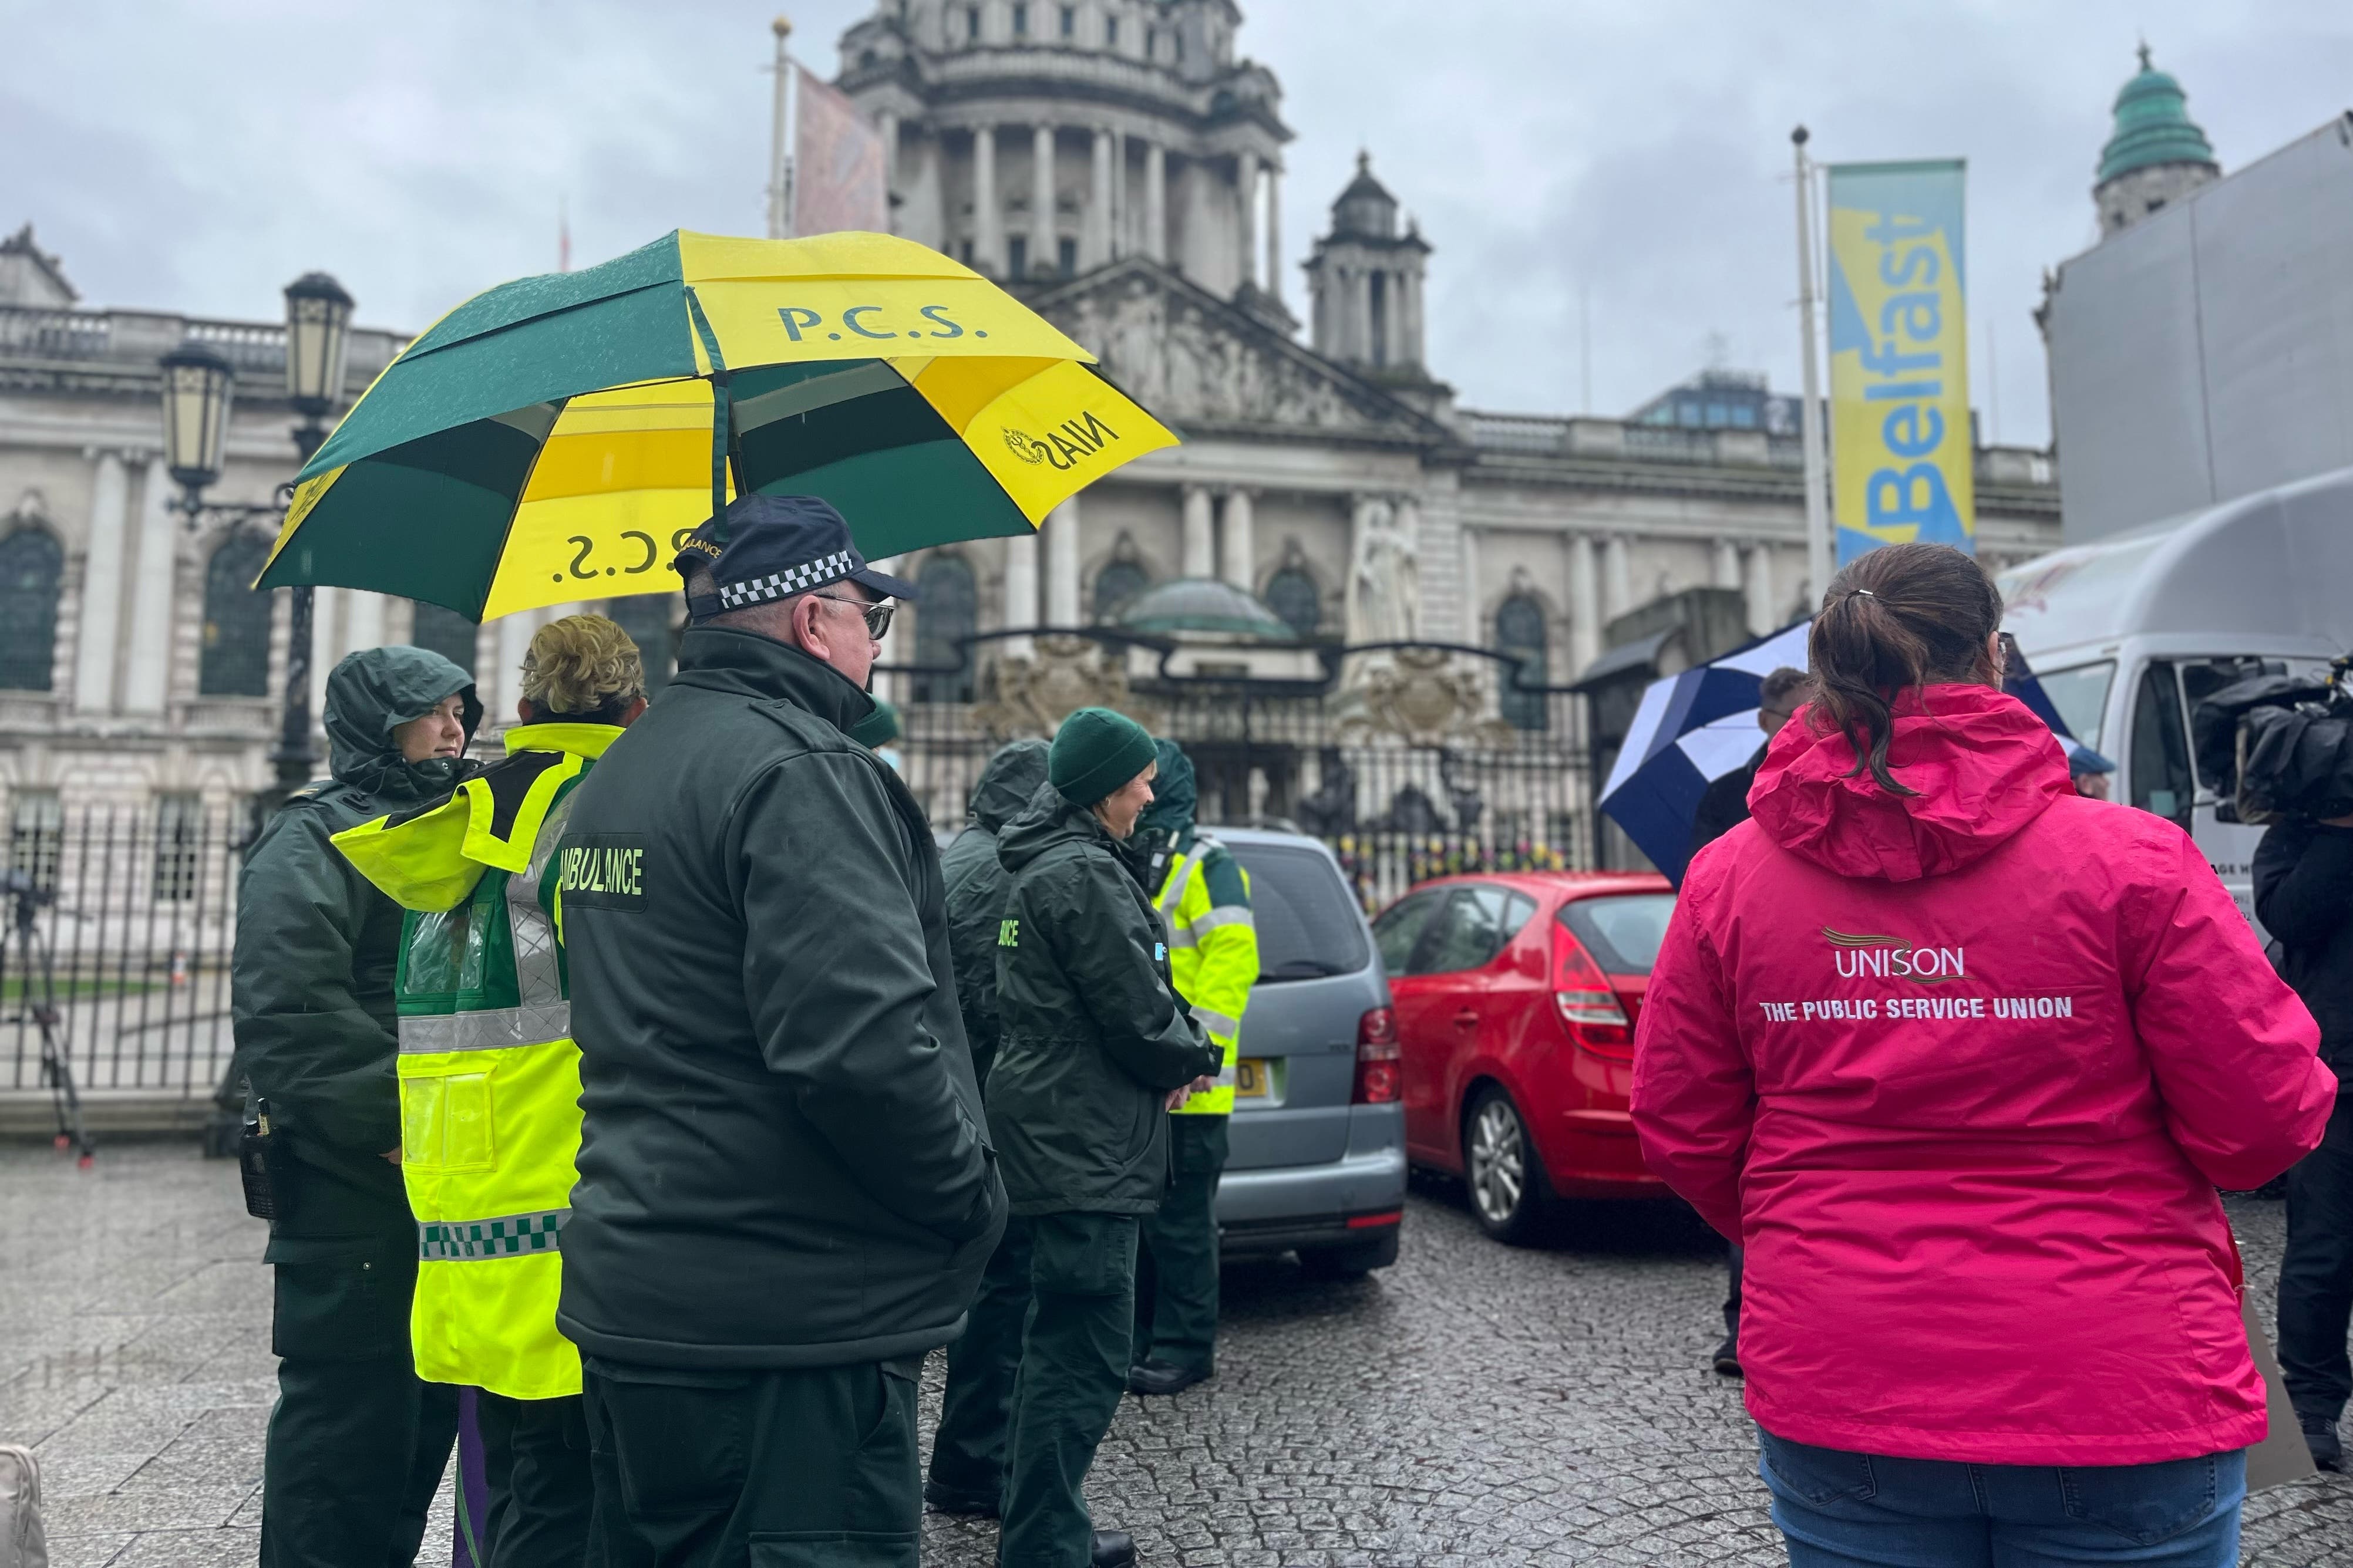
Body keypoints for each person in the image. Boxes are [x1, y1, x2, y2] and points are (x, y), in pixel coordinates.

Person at [1631, 541, 2335, 1567]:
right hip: (2117, 1371)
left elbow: (1680, 1128)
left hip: (1848, 1372)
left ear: (1831, 668)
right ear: (1996, 659)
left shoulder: (1726, 882)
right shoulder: (2131, 862)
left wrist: (1808, 1227)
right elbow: (2264, 1120)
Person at [556, 495, 1005, 1566]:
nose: (876, 644)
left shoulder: (624, 768)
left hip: (639, 1292)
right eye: (871, 617)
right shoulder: (804, 771)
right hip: (789, 1324)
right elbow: (863, 1054)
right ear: (815, 620)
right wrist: (972, 1203)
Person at [333, 615, 650, 1565]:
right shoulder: (612, 808)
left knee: (512, 1482)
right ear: (637, 708)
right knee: (577, 1494)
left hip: (464, 1200)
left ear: (518, 709)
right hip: (572, 1197)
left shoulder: (464, 814)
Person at [234, 643, 479, 1567]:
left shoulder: (464, 823)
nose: (455, 730)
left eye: (462, 710)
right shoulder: (310, 838)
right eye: (433, 712)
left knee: (420, 1419)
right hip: (351, 1180)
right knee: (346, 1436)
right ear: (380, 721)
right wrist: (402, 1122)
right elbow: (290, 1008)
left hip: (447, 1173)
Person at [991, 708, 1224, 1568]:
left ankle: (1040, 1523)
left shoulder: (1057, 864)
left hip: (1061, 1127)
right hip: (1081, 1137)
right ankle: (1045, 1539)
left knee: (1057, 1337)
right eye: (1137, 774)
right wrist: (1189, 1053)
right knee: (1081, 1348)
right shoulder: (1080, 874)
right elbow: (1133, 1009)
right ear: (1100, 786)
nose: (1150, 787)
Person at [926, 737, 1053, 1519]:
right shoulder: (1007, 872)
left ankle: (964, 1459)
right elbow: (1000, 1006)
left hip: (944, 1109)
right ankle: (974, 1465)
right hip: (996, 1112)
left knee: (975, 1295)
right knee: (1004, 1299)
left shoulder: (953, 856)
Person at [1683, 663, 1807, 1380]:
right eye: (1792, 712)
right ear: (1765, 721)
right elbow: (1695, 896)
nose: (1804, 722)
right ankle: (1743, 1319)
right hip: (1752, 1000)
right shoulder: (1726, 796)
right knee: (1756, 1162)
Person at [1126, 739, 1260, 1398]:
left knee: (1180, 1230)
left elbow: (1232, 960)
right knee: (1148, 1230)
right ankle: (1147, 1340)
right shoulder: (1140, 858)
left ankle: (1184, 1349)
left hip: (1194, 1090)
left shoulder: (1204, 862)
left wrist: (1196, 1049)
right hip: (1151, 1083)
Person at [2255, 803, 2353, 1471]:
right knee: (2322, 1248)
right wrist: (2337, 832)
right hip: (2337, 1073)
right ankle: (2311, 1408)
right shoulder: (2299, 828)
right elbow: (2287, 918)